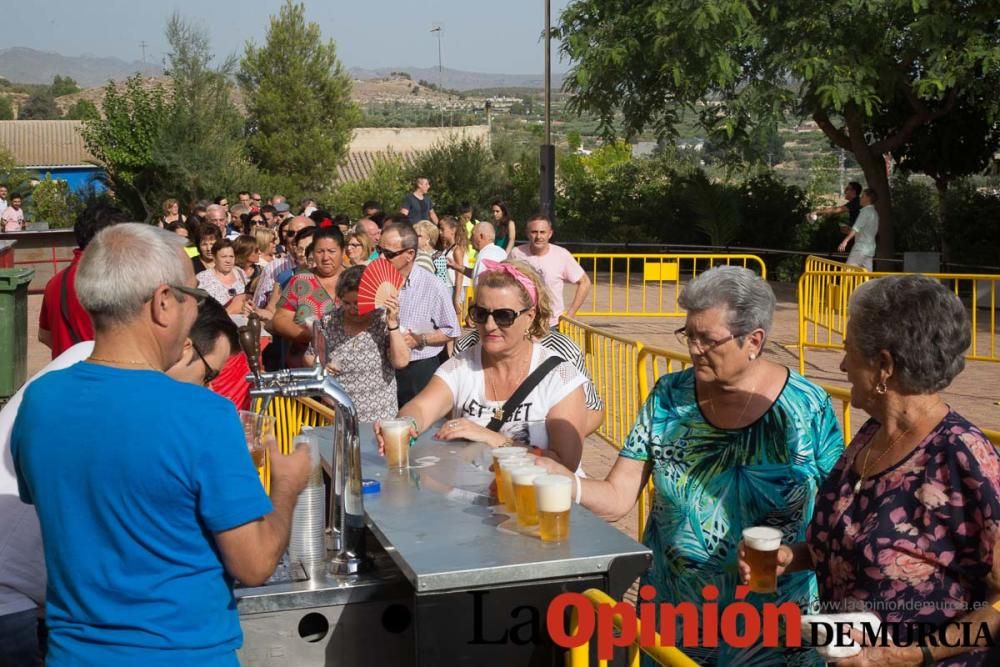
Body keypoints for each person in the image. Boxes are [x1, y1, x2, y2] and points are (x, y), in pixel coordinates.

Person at [11, 223, 310, 664]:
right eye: (196, 299)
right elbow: (255, 564)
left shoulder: (40, 401)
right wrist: (286, 485)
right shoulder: (202, 413)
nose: (196, 314)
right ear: (164, 302)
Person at [535, 266, 843, 666]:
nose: (695, 348)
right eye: (689, 335)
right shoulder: (669, 395)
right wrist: (565, 483)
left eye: (708, 339)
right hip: (674, 620)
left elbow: (839, 525)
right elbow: (618, 496)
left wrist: (792, 557)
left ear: (754, 340)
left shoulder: (806, 407)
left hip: (771, 628)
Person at [737, 275, 1000, 667]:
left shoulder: (963, 458)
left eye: (849, 351)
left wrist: (909, 655)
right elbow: (861, 545)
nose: (842, 365)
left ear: (884, 366)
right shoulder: (872, 433)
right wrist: (791, 557)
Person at [0, 296, 241, 666]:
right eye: (208, 375)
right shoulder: (95, 380)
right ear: (183, 345)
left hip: (49, 601)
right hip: (13, 599)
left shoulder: (92, 366)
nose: (207, 389)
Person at [380, 259, 589, 470]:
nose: (489, 325)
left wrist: (493, 439)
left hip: (540, 498)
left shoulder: (560, 377)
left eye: (503, 316)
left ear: (529, 317)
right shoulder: (461, 367)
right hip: (479, 498)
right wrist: (406, 425)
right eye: (481, 314)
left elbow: (565, 463)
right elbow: (420, 408)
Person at [379, 222, 461, 406]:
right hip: (381, 367)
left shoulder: (432, 285)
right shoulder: (375, 280)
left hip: (417, 369)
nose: (382, 257)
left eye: (389, 254)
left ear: (410, 254)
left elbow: (451, 330)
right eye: (380, 250)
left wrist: (420, 339)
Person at [316, 266, 410, 422]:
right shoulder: (328, 321)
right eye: (347, 303)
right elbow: (311, 356)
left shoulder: (382, 320)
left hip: (380, 416)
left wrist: (392, 323)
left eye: (358, 303)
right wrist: (321, 364)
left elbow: (401, 361)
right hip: (338, 415)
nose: (353, 309)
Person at [38, 202, 130, 358]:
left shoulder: (55, 283)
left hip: (65, 377)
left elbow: (45, 335)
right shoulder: (119, 280)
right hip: (109, 378)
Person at [271, 227, 345, 364]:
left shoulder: (354, 279)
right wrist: (310, 336)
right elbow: (280, 319)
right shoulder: (301, 280)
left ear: (342, 251)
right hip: (306, 364)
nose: (325, 258)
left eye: (332, 251)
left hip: (350, 362)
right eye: (319, 252)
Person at [511, 214, 592, 327]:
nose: (538, 236)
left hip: (553, 324)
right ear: (527, 233)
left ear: (550, 234)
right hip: (523, 322)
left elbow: (585, 282)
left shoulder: (561, 254)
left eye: (542, 232)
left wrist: (571, 314)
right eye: (534, 232)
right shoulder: (516, 254)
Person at [253, 215, 316, 309]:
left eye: (302, 233)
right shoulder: (273, 268)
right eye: (291, 233)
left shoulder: (330, 271)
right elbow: (260, 305)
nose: (296, 237)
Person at [197, 238, 249, 314]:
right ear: (214, 258)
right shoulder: (202, 279)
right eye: (224, 257)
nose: (228, 261)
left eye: (231, 256)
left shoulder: (240, 273)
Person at [449, 222, 508, 286]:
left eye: (472, 234)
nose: (470, 238)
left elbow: (479, 284)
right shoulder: (502, 252)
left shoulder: (483, 256)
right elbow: (475, 273)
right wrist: (455, 266)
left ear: (481, 236)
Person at [837, 187, 879, 270]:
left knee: (846, 273)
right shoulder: (874, 213)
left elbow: (856, 228)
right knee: (866, 278)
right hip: (870, 249)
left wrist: (845, 241)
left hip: (860, 248)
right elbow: (866, 231)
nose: (860, 198)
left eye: (863, 196)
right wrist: (849, 230)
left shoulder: (865, 212)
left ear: (868, 198)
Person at [437, 215, 469, 314]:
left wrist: (456, 297)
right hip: (447, 286)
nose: (440, 232)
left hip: (454, 288)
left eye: (442, 229)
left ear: (453, 230)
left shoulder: (457, 250)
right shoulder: (447, 249)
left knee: (454, 319)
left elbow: (459, 274)